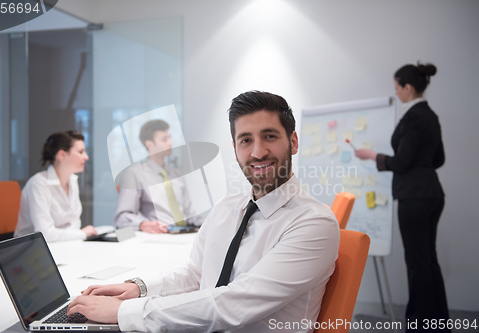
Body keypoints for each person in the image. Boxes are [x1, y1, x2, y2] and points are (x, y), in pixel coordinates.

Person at [68, 91, 340, 332]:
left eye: (269, 136)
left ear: (293, 142)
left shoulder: (314, 223)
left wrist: (123, 312)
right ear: (235, 150)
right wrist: (138, 288)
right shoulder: (227, 207)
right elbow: (196, 275)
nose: (258, 152)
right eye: (246, 140)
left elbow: (234, 304)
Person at [354, 63, 449, 331]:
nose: (396, 93)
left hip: (414, 199)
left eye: (397, 88)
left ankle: (419, 325)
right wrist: (420, 165)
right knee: (428, 260)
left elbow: (402, 162)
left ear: (408, 87)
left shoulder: (414, 118)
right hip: (432, 194)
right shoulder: (430, 116)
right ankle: (438, 323)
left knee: (417, 264)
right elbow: (439, 159)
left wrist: (372, 155)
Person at [114, 119, 203, 234]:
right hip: (159, 236)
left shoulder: (177, 175)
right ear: (149, 144)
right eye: (164, 139)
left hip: (185, 234)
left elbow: (190, 214)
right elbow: (122, 217)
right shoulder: (135, 174)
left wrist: (208, 222)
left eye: (169, 137)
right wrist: (142, 224)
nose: (170, 143)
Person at [14, 130, 98, 242]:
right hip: (31, 251)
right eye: (80, 152)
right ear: (62, 155)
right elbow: (45, 234)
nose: (86, 157)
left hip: (62, 245)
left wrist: (78, 234)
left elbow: (74, 223)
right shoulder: (39, 183)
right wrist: (82, 233)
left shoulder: (72, 181)